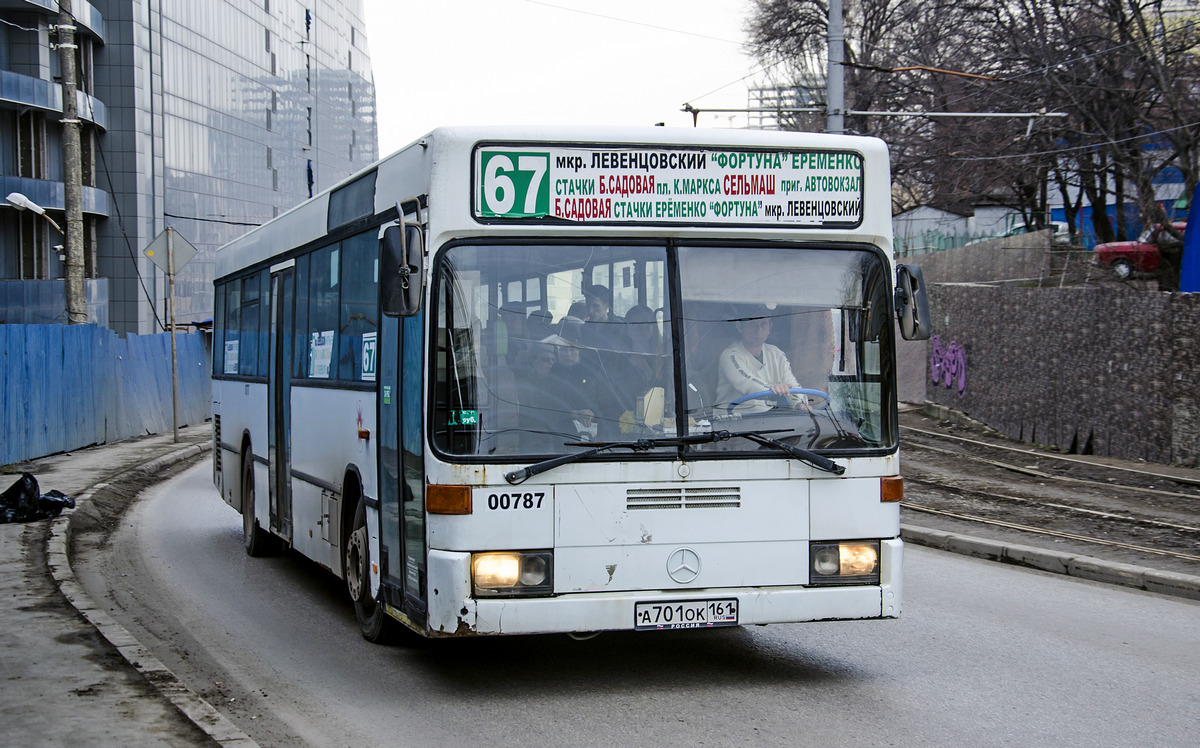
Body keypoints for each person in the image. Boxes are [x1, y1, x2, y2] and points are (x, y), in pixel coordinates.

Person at [715, 309, 808, 414]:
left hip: (766, 422)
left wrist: (799, 404)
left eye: (763, 324)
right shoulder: (730, 355)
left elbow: (792, 385)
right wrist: (773, 390)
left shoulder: (777, 354)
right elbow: (747, 383)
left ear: (769, 327)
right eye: (752, 324)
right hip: (730, 424)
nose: (758, 330)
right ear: (740, 327)